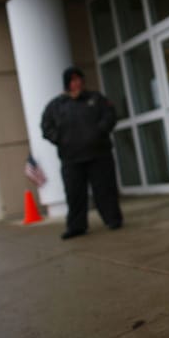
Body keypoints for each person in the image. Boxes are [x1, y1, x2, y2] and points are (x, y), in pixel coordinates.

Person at [41, 67, 123, 239]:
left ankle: (112, 219)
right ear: (67, 83)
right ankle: (76, 226)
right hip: (71, 158)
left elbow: (110, 115)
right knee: (74, 193)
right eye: (73, 80)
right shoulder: (56, 105)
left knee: (105, 190)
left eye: (79, 79)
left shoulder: (96, 99)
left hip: (99, 154)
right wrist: (60, 139)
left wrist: (100, 130)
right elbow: (46, 127)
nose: (77, 83)